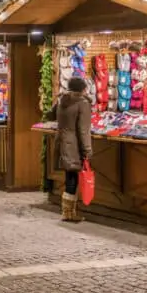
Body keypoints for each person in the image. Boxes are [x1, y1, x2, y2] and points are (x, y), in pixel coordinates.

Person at [55, 77, 93, 223]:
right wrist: (87, 151)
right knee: (72, 178)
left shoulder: (62, 101)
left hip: (62, 141)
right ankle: (69, 213)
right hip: (74, 144)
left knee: (69, 176)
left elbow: (50, 115)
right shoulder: (82, 103)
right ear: (83, 89)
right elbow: (84, 131)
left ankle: (67, 211)